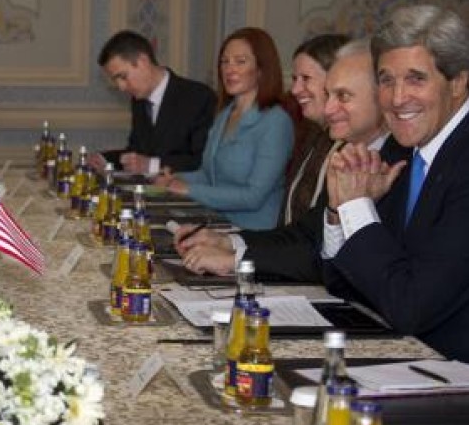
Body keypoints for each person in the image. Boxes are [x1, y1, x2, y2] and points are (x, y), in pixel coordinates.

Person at [175, 39, 398, 282]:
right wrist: (227, 241)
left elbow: (336, 261)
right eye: (329, 94)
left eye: (341, 96)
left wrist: (236, 258)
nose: (330, 108)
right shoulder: (327, 140)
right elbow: (305, 233)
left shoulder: (395, 165)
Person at [323, 5, 469, 362]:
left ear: (458, 82)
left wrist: (357, 207)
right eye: (387, 80)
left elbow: (409, 306)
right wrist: (338, 211)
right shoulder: (403, 149)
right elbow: (345, 282)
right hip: (403, 358)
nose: (398, 98)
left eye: (416, 79)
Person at [153, 27, 294, 230]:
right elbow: (210, 175)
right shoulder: (225, 114)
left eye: (240, 61)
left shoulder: (276, 122)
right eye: (225, 61)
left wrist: (188, 189)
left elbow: (252, 197)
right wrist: (175, 178)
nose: (229, 69)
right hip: (217, 224)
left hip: (254, 234)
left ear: (262, 69)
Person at [88, 30, 215, 176]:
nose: (121, 87)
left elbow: (203, 160)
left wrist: (152, 165)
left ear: (143, 62)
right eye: (115, 81)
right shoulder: (139, 101)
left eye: (122, 77)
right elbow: (137, 153)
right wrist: (104, 159)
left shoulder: (198, 97)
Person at [279, 33, 350, 225]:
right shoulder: (313, 134)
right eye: (294, 79)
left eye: (305, 78)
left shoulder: (354, 146)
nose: (295, 89)